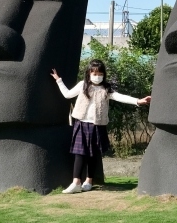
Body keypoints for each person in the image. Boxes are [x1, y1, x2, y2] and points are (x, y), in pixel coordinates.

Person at [51, 60, 151, 194]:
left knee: (93, 155)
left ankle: (89, 181)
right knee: (79, 154)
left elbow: (120, 97)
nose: (97, 76)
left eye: (100, 73)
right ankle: (76, 182)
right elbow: (67, 94)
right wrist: (59, 80)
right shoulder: (83, 85)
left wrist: (138, 101)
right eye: (94, 73)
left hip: (97, 126)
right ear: (89, 73)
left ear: (104, 74)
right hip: (81, 123)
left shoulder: (106, 89)